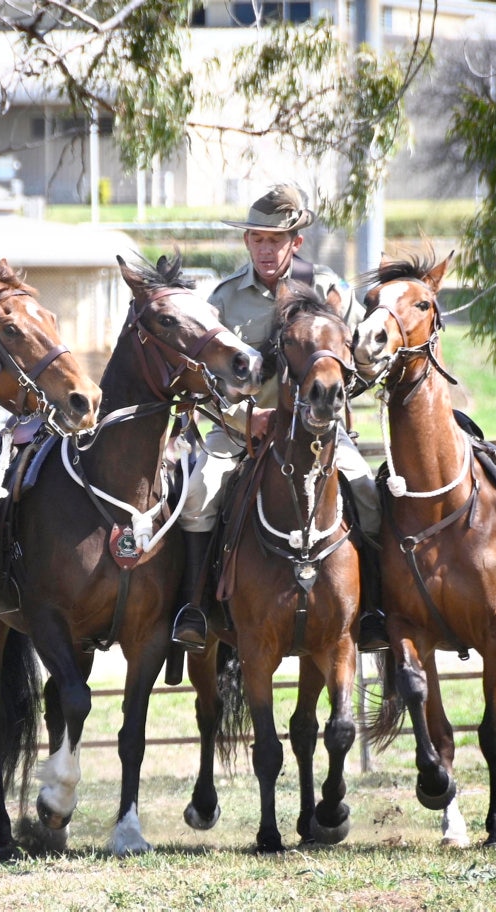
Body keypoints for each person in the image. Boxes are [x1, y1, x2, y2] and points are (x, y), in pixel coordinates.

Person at [171, 184, 388, 652]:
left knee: (368, 496)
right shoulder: (224, 299)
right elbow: (203, 381)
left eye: (276, 240)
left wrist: (331, 404)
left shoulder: (329, 290)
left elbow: (360, 362)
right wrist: (243, 420)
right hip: (239, 432)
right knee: (197, 497)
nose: (266, 249)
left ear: (296, 243)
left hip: (317, 433)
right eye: (258, 240)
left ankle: (372, 611)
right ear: (247, 243)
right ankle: (195, 608)